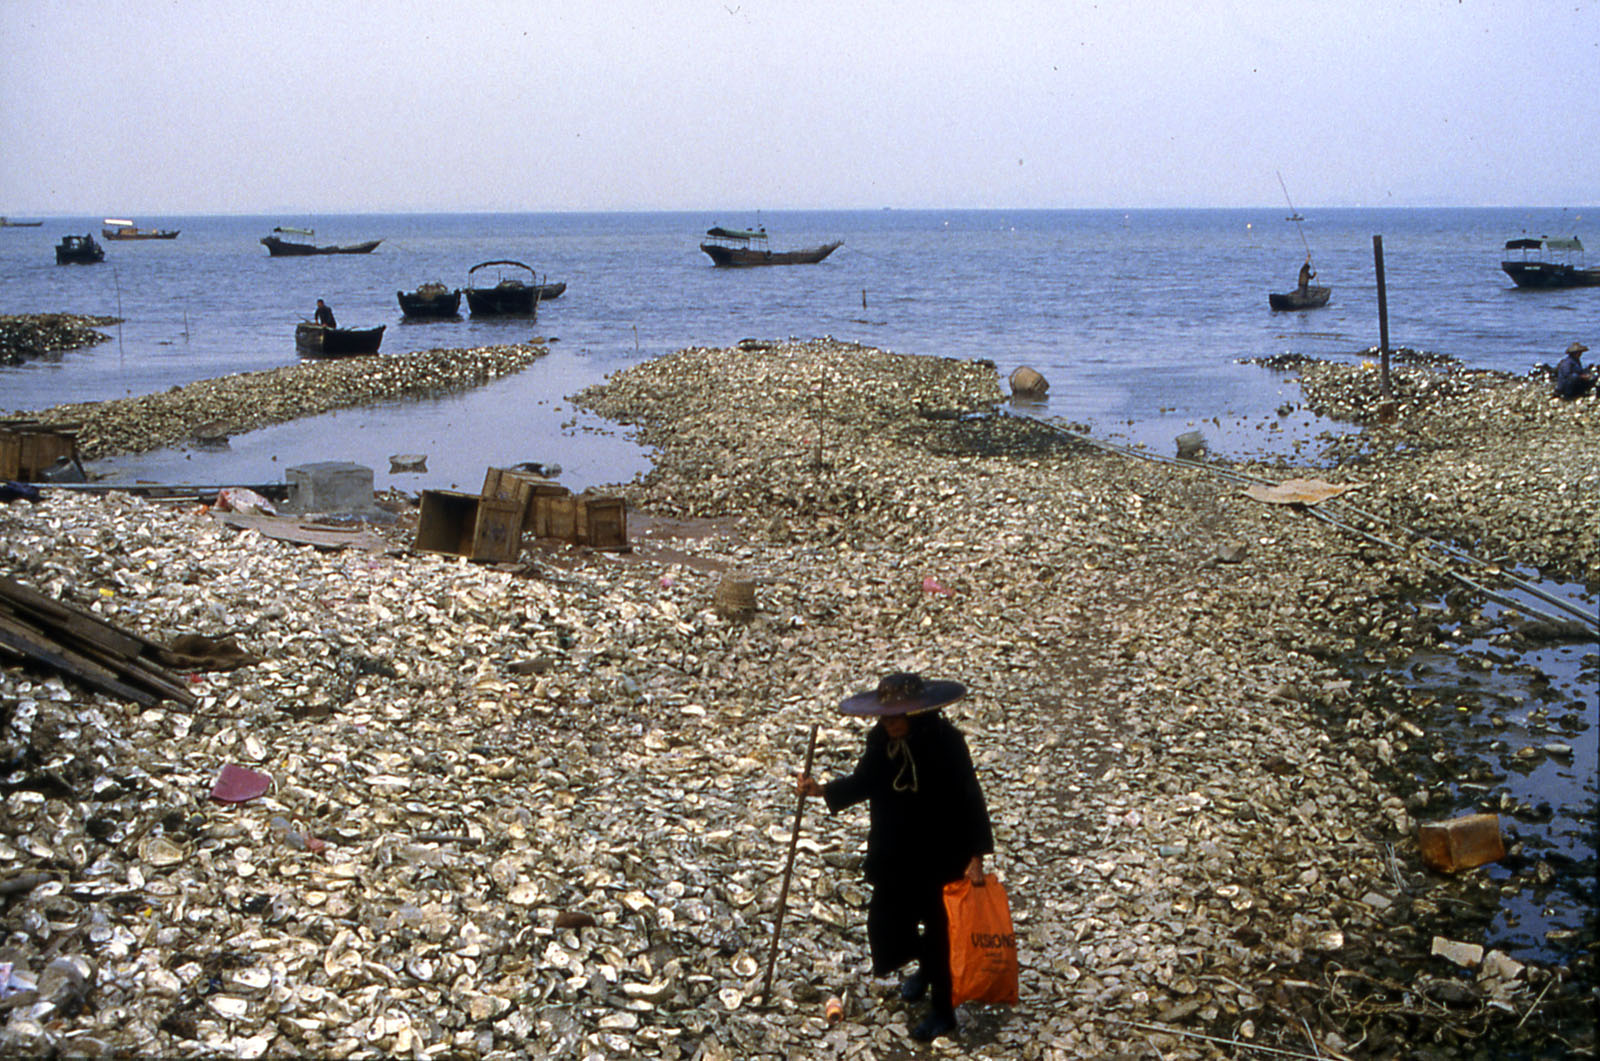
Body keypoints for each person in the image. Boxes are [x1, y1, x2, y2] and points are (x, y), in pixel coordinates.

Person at [797, 672, 994, 1042]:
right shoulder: (880, 739)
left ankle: (943, 1011)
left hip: (941, 853)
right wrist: (821, 790)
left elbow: (970, 797)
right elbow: (865, 781)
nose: (888, 724)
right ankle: (926, 968)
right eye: (884, 718)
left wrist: (977, 855)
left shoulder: (947, 743)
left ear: (917, 713)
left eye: (895, 718)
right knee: (886, 928)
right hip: (893, 851)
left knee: (938, 931)